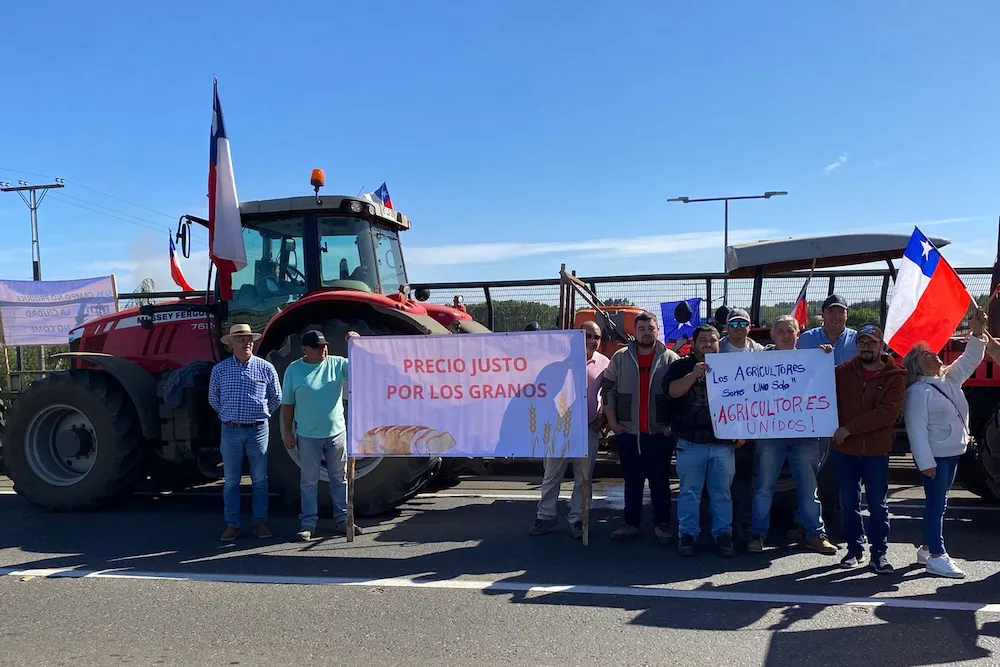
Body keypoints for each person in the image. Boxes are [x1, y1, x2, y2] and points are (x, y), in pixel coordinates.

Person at [902, 307, 987, 578]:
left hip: (951, 454)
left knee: (941, 503)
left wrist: (976, 330)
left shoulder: (949, 379)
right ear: (918, 363)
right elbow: (915, 430)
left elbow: (971, 357)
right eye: (927, 353)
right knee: (936, 505)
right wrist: (925, 462)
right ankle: (937, 555)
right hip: (937, 457)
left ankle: (927, 548)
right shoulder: (917, 392)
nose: (934, 354)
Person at [747, 315, 838, 555]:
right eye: (781, 331)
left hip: (804, 435)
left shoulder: (813, 359)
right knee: (764, 486)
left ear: (799, 334)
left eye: (791, 331)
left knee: (808, 487)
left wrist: (823, 357)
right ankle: (757, 533)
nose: (786, 335)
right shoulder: (759, 361)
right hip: (770, 436)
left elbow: (824, 389)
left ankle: (816, 534)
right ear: (773, 335)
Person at [664, 323, 745, 557]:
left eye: (713, 340)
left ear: (720, 342)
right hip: (690, 444)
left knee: (722, 493)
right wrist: (694, 375)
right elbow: (672, 392)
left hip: (722, 444)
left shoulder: (732, 367)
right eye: (703, 340)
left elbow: (744, 401)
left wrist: (741, 430)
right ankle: (687, 534)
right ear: (694, 343)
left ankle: (723, 534)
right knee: (690, 492)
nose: (708, 344)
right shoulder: (681, 366)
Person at [832, 323, 906, 573]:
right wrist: (818, 357)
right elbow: (816, 383)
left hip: (875, 451)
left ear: (881, 346)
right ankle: (854, 550)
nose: (866, 347)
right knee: (849, 502)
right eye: (861, 343)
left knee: (877, 504)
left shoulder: (896, 376)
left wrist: (849, 428)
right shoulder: (842, 371)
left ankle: (879, 554)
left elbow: (886, 414)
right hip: (845, 450)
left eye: (871, 343)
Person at [602, 312, 679, 542]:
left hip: (659, 433)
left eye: (650, 327)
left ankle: (662, 525)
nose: (646, 332)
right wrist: (613, 423)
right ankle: (630, 524)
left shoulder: (671, 359)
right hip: (629, 433)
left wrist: (671, 426)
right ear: (634, 332)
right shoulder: (620, 358)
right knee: (632, 481)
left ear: (657, 330)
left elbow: (679, 396)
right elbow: (608, 390)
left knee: (660, 482)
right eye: (641, 328)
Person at [530, 321, 610, 538]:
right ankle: (545, 516)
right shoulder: (555, 362)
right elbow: (541, 395)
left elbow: (607, 394)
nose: (592, 341)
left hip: (588, 430)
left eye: (597, 337)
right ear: (576, 336)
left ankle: (578, 519)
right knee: (551, 475)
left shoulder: (604, 363)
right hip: (557, 430)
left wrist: (603, 416)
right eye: (587, 336)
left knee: (583, 479)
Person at [281, 329, 361, 541]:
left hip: (336, 433)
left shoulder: (337, 363)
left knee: (340, 478)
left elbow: (362, 367)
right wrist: (287, 432)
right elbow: (287, 404)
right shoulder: (294, 370)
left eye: (324, 345)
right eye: (317, 346)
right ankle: (308, 523)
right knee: (308, 481)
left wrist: (357, 343)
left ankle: (343, 520)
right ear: (305, 349)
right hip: (307, 436)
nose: (323, 349)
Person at [208, 323, 283, 542]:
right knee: (231, 480)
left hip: (258, 430)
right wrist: (228, 416)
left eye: (249, 338)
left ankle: (259, 521)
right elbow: (214, 399)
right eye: (241, 338)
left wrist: (262, 414)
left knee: (259, 479)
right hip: (231, 430)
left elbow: (276, 397)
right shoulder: (220, 370)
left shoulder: (265, 367)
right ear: (231, 344)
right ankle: (232, 524)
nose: (246, 342)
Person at [717, 307, 763, 541]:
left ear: (749, 326)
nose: (737, 328)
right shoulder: (717, 348)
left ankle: (742, 522)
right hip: (722, 424)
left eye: (742, 323)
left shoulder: (760, 351)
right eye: (733, 324)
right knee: (719, 479)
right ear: (726, 327)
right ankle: (719, 523)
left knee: (743, 478)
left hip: (749, 425)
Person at [797, 294, 857, 364]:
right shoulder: (805, 339)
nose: (836, 316)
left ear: (847, 315)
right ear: (822, 314)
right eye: (830, 312)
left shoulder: (857, 340)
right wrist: (814, 355)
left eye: (841, 312)